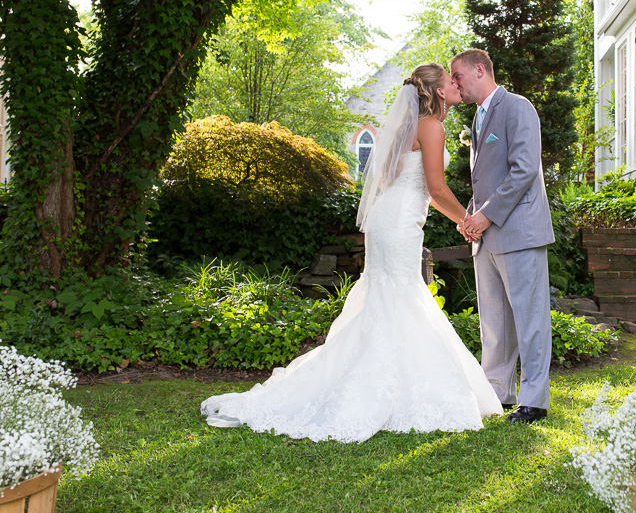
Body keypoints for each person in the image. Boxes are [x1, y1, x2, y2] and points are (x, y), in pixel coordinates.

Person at [200, 63, 502, 443]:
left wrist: (458, 218)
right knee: (400, 296)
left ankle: (385, 379)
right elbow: (437, 189)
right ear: (440, 92)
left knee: (391, 297)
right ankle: (387, 388)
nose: (457, 85)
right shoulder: (431, 125)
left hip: (389, 220)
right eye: (451, 81)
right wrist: (468, 221)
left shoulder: (409, 126)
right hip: (399, 223)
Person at [451, 48, 555, 424]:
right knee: (494, 322)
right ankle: (498, 391)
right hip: (487, 236)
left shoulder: (517, 107)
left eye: (457, 75)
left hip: (519, 231)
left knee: (530, 319)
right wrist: (470, 215)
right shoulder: (478, 117)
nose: (454, 83)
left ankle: (534, 400)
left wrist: (486, 215)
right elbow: (487, 179)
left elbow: (524, 169)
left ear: (479, 70)